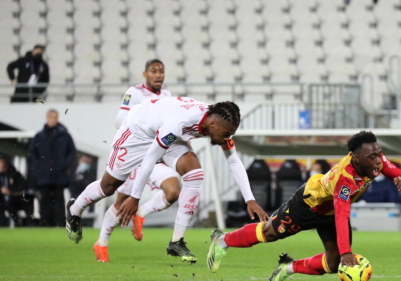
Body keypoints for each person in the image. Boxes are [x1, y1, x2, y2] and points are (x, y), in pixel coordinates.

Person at [65, 97, 268, 265]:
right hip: (137, 132)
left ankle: (176, 242)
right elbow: (150, 157)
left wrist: (249, 199)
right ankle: (75, 209)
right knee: (108, 187)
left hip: (166, 135)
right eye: (226, 134)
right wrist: (135, 197)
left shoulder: (216, 121)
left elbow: (233, 160)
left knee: (194, 173)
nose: (227, 138)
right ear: (213, 124)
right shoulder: (180, 122)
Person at [206, 131, 401, 281]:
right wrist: (347, 251)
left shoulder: (374, 159)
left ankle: (289, 267)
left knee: (333, 264)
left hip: (330, 212)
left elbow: (395, 170)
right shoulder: (345, 180)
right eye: (372, 157)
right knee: (270, 233)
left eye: (379, 154)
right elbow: (342, 215)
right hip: (308, 204)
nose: (378, 161)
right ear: (356, 158)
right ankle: (223, 240)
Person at [93, 59, 180, 263]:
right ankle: (102, 243)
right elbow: (119, 121)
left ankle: (141, 213)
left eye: (161, 71)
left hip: (156, 154)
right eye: (153, 71)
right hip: (136, 155)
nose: (158, 75)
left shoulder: (167, 96)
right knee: (122, 202)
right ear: (145, 74)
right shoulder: (134, 93)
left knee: (173, 191)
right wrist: (145, 127)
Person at [29, 110, 76, 227]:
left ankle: (60, 223)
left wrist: (64, 164)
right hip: (44, 174)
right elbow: (32, 153)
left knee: (59, 200)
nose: (52, 119)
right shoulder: (39, 136)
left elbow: (72, 152)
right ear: (47, 118)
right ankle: (44, 223)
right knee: (44, 199)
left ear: (57, 118)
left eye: (55, 117)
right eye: (50, 117)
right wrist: (39, 166)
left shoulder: (65, 135)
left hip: (59, 174)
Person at [0, 158, 34, 227]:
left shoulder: (15, 174)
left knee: (26, 203)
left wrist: (10, 191)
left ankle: (26, 224)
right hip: (3, 200)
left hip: (16, 198)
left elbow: (23, 187)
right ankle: (4, 225)